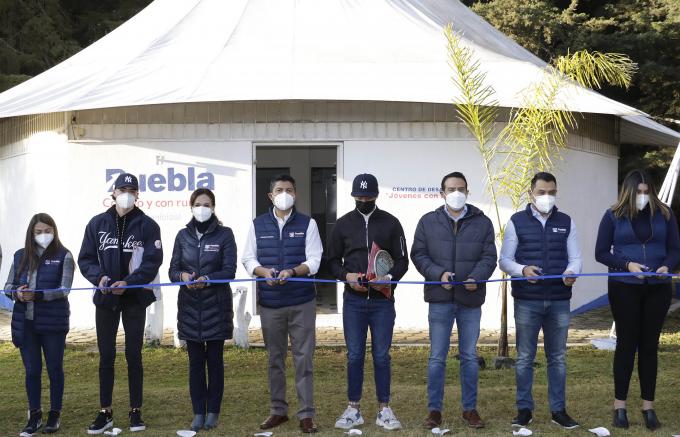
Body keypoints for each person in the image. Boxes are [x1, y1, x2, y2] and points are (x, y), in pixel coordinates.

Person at [595, 169, 680, 430]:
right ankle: (619, 406)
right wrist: (626, 264)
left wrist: (666, 266)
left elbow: (675, 249)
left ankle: (648, 407)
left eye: (647, 192)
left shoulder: (665, 214)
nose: (643, 197)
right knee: (626, 345)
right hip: (624, 287)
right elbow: (601, 253)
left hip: (658, 288)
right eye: (638, 192)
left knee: (649, 346)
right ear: (629, 193)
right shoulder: (612, 215)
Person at [78, 173, 163, 435]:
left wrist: (130, 282)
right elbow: (86, 259)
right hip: (105, 299)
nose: (127, 193)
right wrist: (100, 278)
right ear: (113, 192)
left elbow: (152, 261)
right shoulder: (97, 223)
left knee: (133, 355)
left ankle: (135, 410)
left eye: (132, 190)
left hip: (134, 298)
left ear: (138, 195)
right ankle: (105, 412)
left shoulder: (148, 225)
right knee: (106, 356)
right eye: (122, 189)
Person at [411, 172, 497, 430]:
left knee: (469, 356)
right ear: (442, 193)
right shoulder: (428, 222)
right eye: (451, 189)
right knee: (437, 357)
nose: (456, 193)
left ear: (467, 192)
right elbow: (419, 255)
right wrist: (438, 275)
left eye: (461, 188)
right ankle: (434, 410)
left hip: (470, 300)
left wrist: (476, 277)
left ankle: (469, 409)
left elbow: (489, 257)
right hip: (439, 299)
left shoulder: (483, 222)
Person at [499, 172, 582, 430]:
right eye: (542, 192)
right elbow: (505, 260)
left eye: (552, 192)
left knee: (557, 357)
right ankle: (525, 409)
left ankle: (558, 410)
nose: (547, 197)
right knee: (525, 357)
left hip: (559, 300)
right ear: (530, 194)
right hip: (527, 301)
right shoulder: (516, 221)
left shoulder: (567, 222)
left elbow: (576, 258)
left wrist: (571, 273)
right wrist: (522, 270)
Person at [241, 174, 323, 434]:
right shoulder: (257, 225)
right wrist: (264, 273)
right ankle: (278, 410)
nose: (284, 193)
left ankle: (306, 414)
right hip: (270, 304)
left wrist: (292, 272)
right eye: (279, 190)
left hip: (301, 303)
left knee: (303, 360)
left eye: (289, 189)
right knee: (275, 359)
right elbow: (248, 259)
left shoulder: (308, 224)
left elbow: (315, 260)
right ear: (270, 195)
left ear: (295, 194)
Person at [328, 173, 409, 431]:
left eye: (368, 196)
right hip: (353, 301)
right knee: (354, 356)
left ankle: (384, 409)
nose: (364, 200)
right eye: (359, 196)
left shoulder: (391, 223)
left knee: (382, 355)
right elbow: (330, 261)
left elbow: (403, 260)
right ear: (353, 196)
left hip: (383, 302)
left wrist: (388, 278)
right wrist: (346, 276)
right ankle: (353, 408)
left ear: (376, 195)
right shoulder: (341, 225)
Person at [169, 188, 237, 431]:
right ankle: (198, 411)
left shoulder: (225, 235)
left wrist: (208, 278)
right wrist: (183, 275)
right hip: (189, 308)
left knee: (215, 362)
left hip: (216, 308)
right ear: (191, 206)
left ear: (213, 207)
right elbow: (172, 270)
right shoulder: (182, 236)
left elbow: (229, 271)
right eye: (198, 204)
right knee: (195, 363)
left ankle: (213, 412)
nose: (202, 208)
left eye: (207, 204)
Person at [4, 213, 74, 435]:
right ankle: (34, 414)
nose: (44, 235)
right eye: (39, 232)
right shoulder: (19, 256)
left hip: (53, 323)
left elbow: (64, 289)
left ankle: (55, 413)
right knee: (32, 370)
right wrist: (18, 292)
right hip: (26, 323)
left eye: (48, 230)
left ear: (54, 231)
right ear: (31, 234)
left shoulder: (64, 255)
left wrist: (39, 295)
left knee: (54, 369)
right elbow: (7, 286)